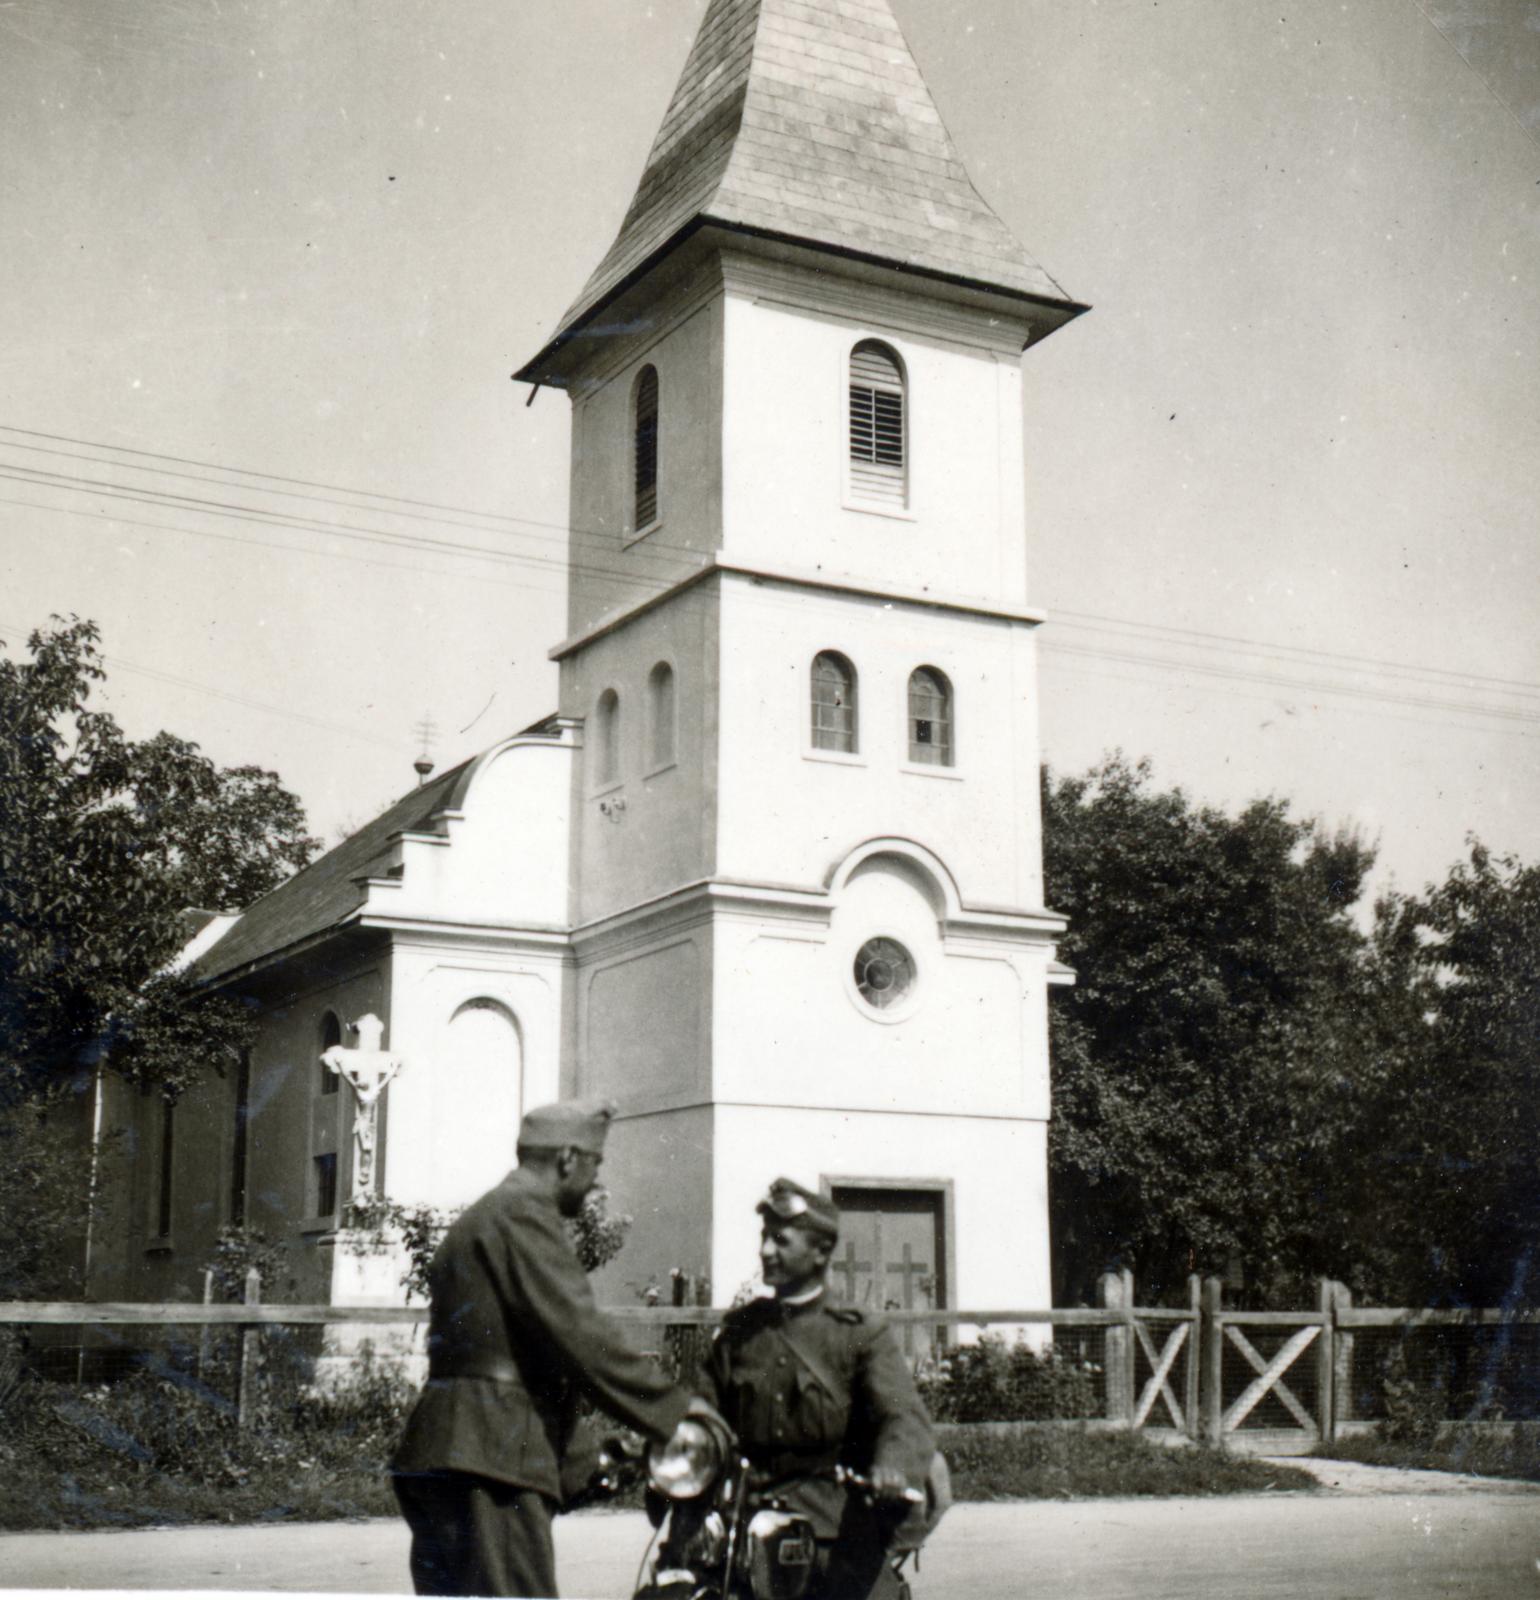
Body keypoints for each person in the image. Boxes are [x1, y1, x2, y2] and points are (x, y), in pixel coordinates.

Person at [391, 1098, 692, 1598]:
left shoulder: (487, 1214)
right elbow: (582, 1338)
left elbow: (520, 1355)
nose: (596, 1180)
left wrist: (588, 1458)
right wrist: (683, 1417)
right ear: (569, 1159)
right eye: (596, 1164)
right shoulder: (525, 1215)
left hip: (451, 1451)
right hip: (494, 1459)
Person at [692, 1179, 936, 1600]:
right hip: (745, 1528)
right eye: (765, 1238)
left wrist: (892, 1466)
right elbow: (699, 1408)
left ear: (820, 1252)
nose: (766, 1250)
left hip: (835, 1532)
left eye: (781, 1240)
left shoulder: (858, 1333)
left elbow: (903, 1416)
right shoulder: (740, 1333)